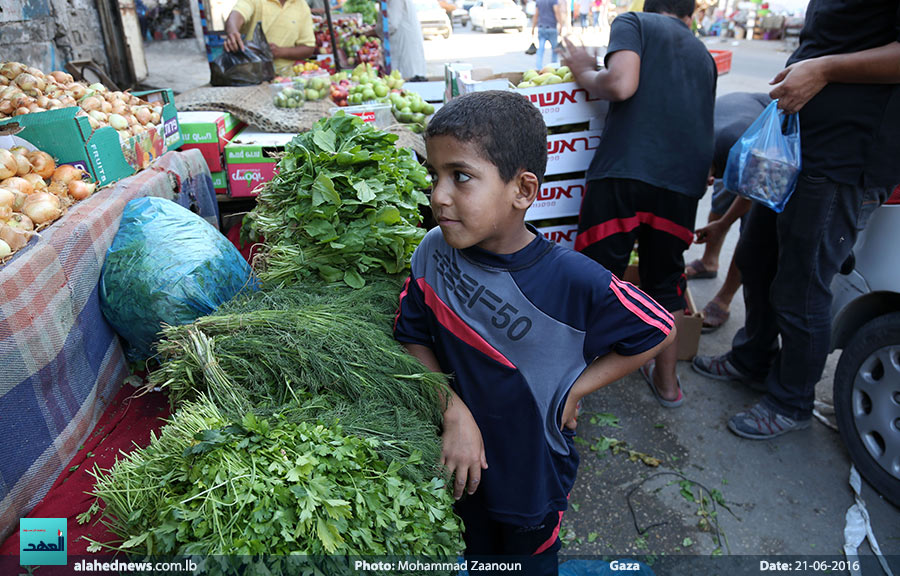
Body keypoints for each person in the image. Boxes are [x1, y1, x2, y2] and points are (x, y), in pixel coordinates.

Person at [393, 91, 675, 571]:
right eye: (434, 175)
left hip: (532, 480)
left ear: (523, 191)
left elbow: (659, 328)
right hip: (460, 469)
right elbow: (411, 336)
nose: (438, 196)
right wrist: (453, 410)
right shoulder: (432, 252)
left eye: (460, 177)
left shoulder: (572, 279)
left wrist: (574, 389)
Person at [692, 0, 900, 439]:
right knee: (756, 254)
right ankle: (752, 358)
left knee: (801, 285)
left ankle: (791, 400)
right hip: (797, 147)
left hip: (845, 158)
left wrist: (823, 70)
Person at [562, 0, 716, 408]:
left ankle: (569, 389)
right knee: (665, 282)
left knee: (595, 277)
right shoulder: (703, 53)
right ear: (689, 15)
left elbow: (620, 84)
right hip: (682, 184)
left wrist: (581, 67)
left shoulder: (634, 22)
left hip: (625, 172)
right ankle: (668, 385)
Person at [688, 92, 770, 333]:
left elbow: (750, 197)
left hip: (762, 132)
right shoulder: (691, 144)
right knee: (721, 201)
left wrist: (723, 225)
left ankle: (724, 299)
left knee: (751, 231)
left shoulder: (744, 151)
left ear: (711, 176)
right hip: (731, 122)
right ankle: (709, 262)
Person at [223, 0, 316, 77]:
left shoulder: (302, 6)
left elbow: (308, 48)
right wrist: (233, 31)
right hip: (250, 74)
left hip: (285, 79)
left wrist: (280, 52)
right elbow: (237, 14)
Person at [385, 0, 427, 79]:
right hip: (408, 47)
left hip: (405, 49)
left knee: (408, 82)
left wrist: (370, 32)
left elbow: (391, 25)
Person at [532, 0, 563, 69]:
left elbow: (536, 15)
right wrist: (561, 25)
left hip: (541, 28)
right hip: (552, 28)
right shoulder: (553, 1)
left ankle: (539, 68)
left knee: (540, 50)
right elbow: (557, 12)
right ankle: (553, 67)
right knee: (555, 50)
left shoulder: (539, 1)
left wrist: (533, 28)